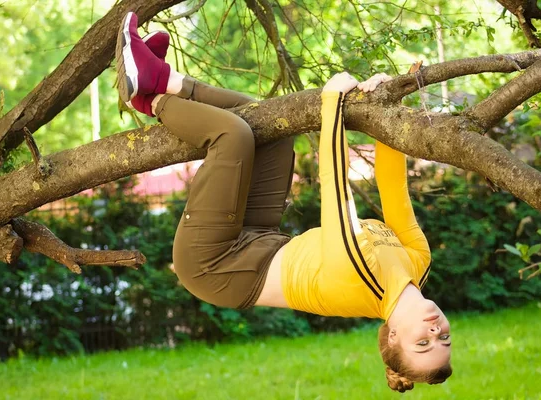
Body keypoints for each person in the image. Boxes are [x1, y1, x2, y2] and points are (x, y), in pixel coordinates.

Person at [115, 11, 452, 392]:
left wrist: (333, 104)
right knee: (272, 128)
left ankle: (153, 92)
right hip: (260, 237)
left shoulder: (360, 280)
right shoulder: (419, 263)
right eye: (444, 340)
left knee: (234, 136)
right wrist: (389, 107)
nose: (435, 331)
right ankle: (156, 85)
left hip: (217, 265)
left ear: (392, 337)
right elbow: (394, 190)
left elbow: (337, 193)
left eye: (422, 343)